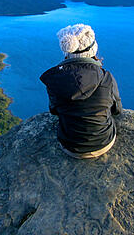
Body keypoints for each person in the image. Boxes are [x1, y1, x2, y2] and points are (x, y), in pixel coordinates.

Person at [40, 24, 122, 159]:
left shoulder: (56, 80)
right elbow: (117, 110)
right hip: (103, 143)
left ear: (67, 52)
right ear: (93, 50)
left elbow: (54, 111)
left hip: (69, 146)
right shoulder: (106, 77)